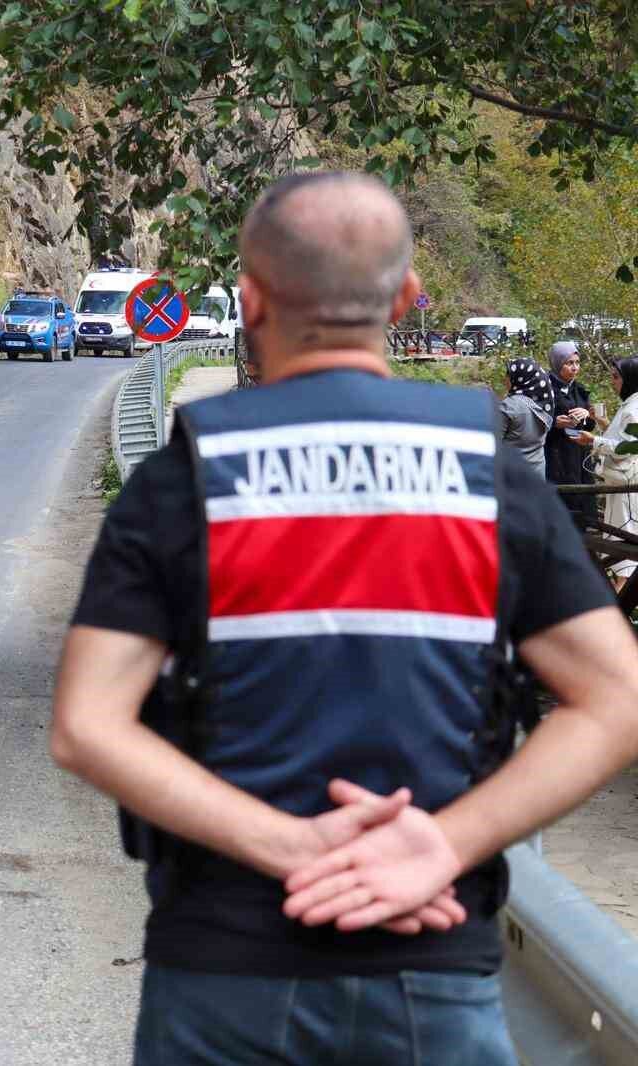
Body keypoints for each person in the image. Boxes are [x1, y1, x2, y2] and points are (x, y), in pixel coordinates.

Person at [53, 170, 638, 1065]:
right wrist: (442, 845)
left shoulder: (191, 475)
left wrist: (289, 846)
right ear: (406, 298)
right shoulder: (485, 468)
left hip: (223, 969)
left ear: (249, 300)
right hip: (430, 962)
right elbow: (617, 698)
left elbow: (88, 725)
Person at [575, 357, 638, 593]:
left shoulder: (634, 408)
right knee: (621, 541)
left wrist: (594, 440)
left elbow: (628, 448)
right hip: (621, 484)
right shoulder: (630, 405)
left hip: (627, 487)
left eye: (616, 377)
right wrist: (603, 424)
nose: (612, 382)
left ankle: (621, 601)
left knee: (625, 543)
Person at [546, 340, 599, 523]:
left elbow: (590, 425)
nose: (575, 368)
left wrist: (586, 414)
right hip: (556, 455)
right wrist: (554, 423)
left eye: (577, 363)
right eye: (569, 363)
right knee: (562, 507)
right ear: (557, 363)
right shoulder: (545, 389)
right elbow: (533, 422)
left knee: (582, 505)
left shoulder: (580, 390)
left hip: (580, 455)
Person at [499, 357, 554, 475]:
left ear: (518, 378)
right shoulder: (544, 406)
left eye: (507, 375)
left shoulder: (509, 406)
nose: (505, 380)